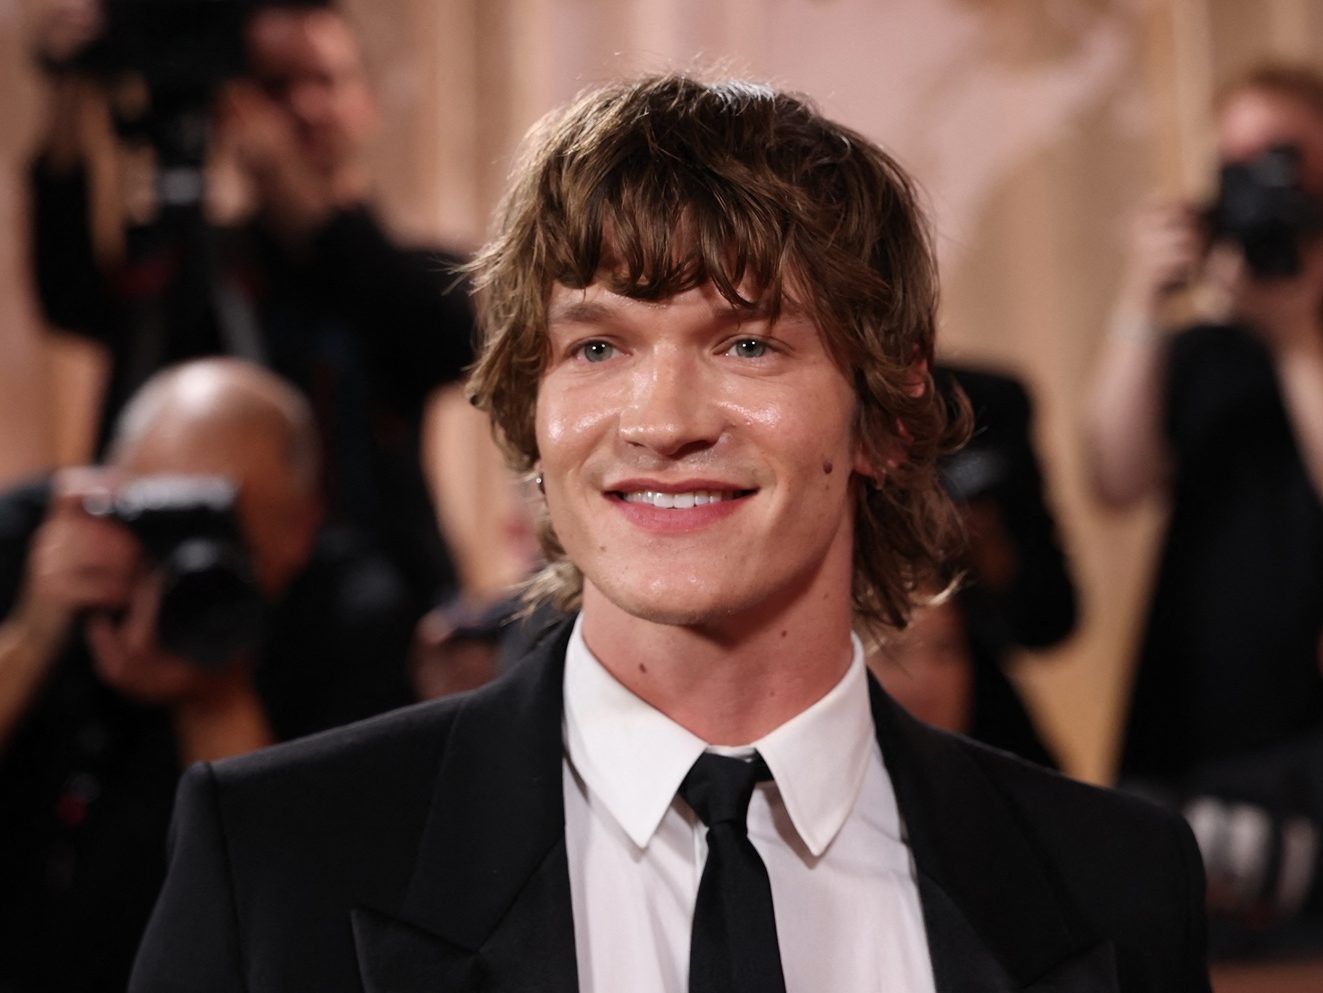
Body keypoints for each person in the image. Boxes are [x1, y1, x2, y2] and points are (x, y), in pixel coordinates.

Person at [130, 74, 1210, 993]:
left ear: (886, 411)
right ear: (531, 408)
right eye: (598, 348)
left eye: (747, 345)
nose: (661, 422)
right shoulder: (278, 858)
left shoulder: (1112, 883)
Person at [28, 0, 474, 607]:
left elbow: (450, 337)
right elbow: (70, 297)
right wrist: (69, 93)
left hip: (373, 614)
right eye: (276, 87)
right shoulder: (199, 265)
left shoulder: (403, 272)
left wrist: (281, 176)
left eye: (326, 81)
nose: (305, 107)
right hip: (200, 595)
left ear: (365, 102)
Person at [0, 359, 418, 993]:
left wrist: (215, 698)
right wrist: (32, 638)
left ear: (301, 528)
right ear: (112, 490)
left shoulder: (352, 616)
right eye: (166, 516)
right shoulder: (37, 541)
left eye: (224, 529)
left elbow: (301, 922)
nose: (185, 559)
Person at [1089, 64, 1323, 789]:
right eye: (1236, 163)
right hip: (1193, 713)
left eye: (1280, 156)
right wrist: (1141, 296)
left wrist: (1293, 339)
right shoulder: (1205, 350)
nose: (1261, 183)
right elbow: (1114, 480)